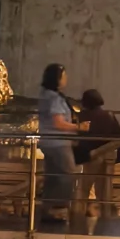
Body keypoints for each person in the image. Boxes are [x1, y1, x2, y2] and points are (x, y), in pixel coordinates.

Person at [38, 64, 87, 224]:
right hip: (58, 143)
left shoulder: (46, 95)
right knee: (67, 175)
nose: (66, 79)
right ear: (57, 79)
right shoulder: (54, 98)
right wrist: (79, 127)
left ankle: (48, 209)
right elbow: (58, 122)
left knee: (52, 176)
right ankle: (59, 209)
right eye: (63, 76)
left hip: (48, 142)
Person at [75, 88, 120, 220]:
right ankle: (105, 218)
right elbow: (119, 135)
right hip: (108, 155)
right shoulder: (109, 115)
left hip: (90, 156)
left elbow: (78, 137)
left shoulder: (82, 116)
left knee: (84, 188)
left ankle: (78, 216)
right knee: (104, 190)